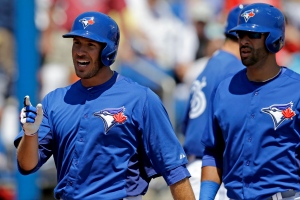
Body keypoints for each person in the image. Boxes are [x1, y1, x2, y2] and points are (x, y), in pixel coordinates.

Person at [13, 11, 195, 200]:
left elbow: (174, 170)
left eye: (90, 45)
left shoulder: (141, 99)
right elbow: (27, 165)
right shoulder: (54, 100)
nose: (80, 52)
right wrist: (30, 134)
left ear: (108, 51)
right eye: (76, 43)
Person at [200, 3, 300, 200]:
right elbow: (213, 152)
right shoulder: (224, 90)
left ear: (274, 39)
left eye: (253, 35)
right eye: (241, 35)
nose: (244, 41)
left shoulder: (296, 90)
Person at [181, 4, 246, 199]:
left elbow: (186, 124)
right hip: (213, 174)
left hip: (195, 167)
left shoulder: (212, 63)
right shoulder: (235, 69)